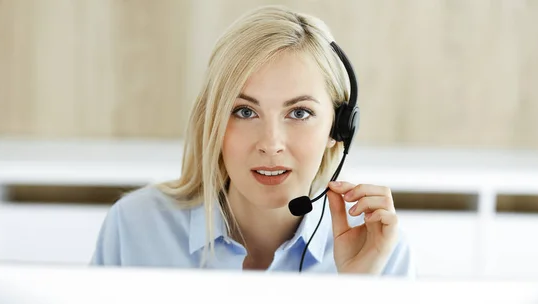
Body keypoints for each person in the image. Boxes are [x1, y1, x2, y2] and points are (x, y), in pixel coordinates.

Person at [90, 5, 415, 277]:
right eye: (244, 111)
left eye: (299, 113)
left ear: (338, 129)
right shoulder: (136, 226)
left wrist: (358, 294)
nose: (271, 144)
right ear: (214, 121)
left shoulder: (379, 243)